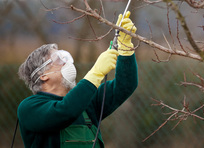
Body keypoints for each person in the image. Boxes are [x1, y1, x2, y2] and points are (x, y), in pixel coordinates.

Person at [17, 11, 138, 148]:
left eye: (65, 57)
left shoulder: (87, 102)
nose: (67, 63)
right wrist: (96, 72)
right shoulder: (29, 107)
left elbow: (125, 85)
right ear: (42, 75)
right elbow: (64, 112)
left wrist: (125, 47)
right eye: (58, 59)